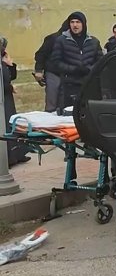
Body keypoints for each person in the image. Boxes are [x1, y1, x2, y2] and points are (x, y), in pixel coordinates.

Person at [49, 11, 102, 112]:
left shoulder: (93, 42)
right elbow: (56, 62)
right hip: (70, 84)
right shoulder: (61, 40)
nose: (75, 25)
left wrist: (89, 70)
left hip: (88, 84)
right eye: (72, 22)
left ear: (83, 24)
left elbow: (100, 62)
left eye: (78, 22)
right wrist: (74, 69)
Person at [0, 38, 30, 166]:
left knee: (11, 123)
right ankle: (8, 159)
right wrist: (10, 87)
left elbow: (11, 76)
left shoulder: (3, 60)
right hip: (3, 99)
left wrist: (10, 64)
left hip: (7, 99)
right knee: (5, 125)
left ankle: (17, 155)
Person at [35, 17, 71, 112]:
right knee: (52, 103)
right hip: (53, 73)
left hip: (68, 75)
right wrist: (38, 70)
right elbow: (40, 54)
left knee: (66, 104)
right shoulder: (53, 38)